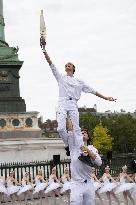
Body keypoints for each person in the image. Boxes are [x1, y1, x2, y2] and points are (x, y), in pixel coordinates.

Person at [40, 41, 116, 158]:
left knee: (76, 129)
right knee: (60, 128)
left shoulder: (79, 82)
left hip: (73, 104)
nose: (67, 65)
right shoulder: (61, 78)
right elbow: (51, 64)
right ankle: (67, 146)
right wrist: (44, 50)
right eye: (66, 64)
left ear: (74, 68)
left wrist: (106, 97)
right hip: (63, 102)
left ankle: (83, 152)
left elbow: (93, 90)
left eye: (70, 64)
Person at [68, 127, 102, 205]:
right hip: (76, 183)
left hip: (88, 182)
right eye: (81, 133)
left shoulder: (92, 148)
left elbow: (99, 162)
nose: (83, 134)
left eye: (85, 133)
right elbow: (70, 130)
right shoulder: (73, 147)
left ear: (88, 137)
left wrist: (88, 150)